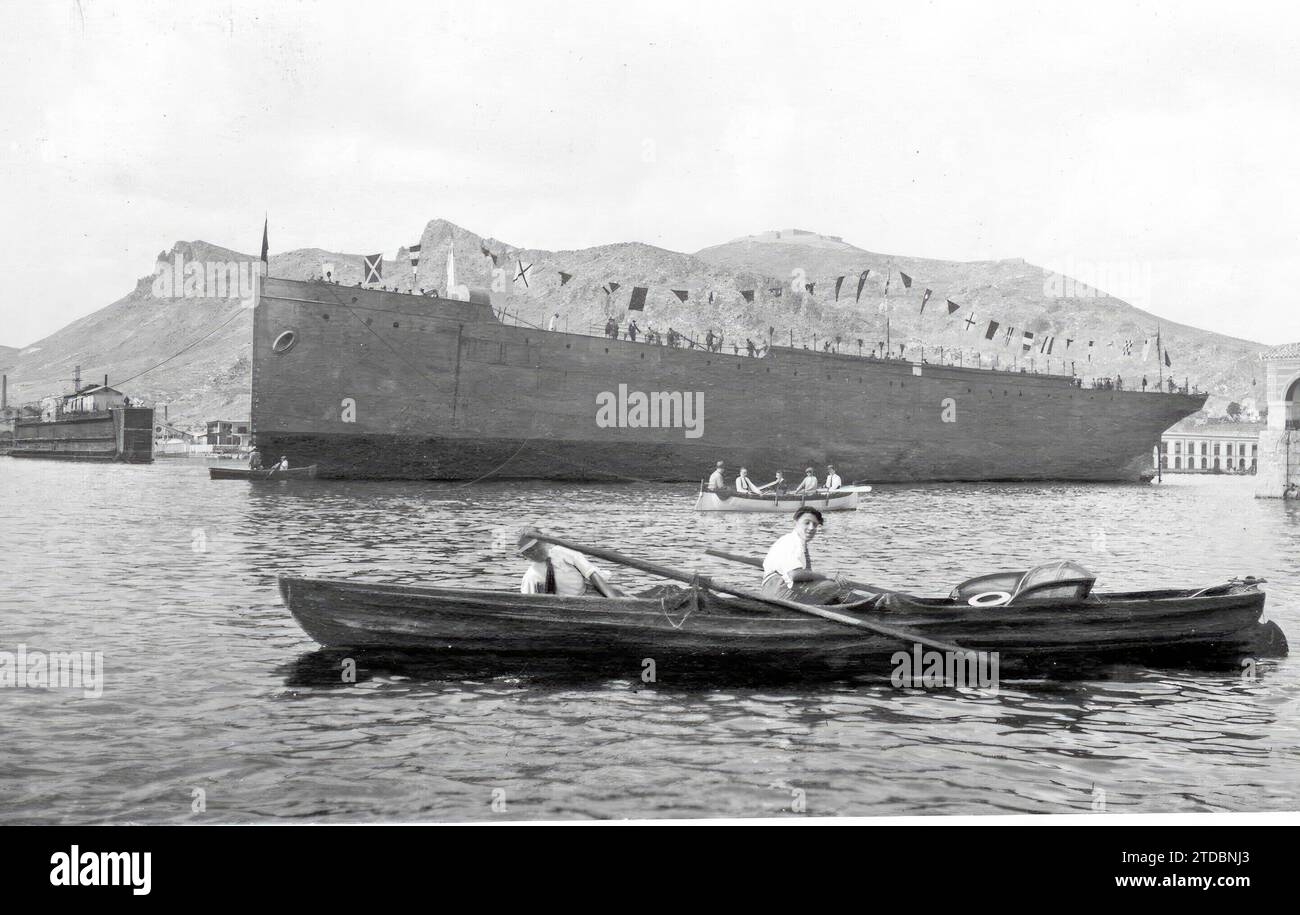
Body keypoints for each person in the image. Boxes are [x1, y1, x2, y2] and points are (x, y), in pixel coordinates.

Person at [760, 507, 843, 604]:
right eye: (807, 523)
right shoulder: (792, 542)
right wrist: (826, 575)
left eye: (815, 525)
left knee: (829, 587)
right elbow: (794, 574)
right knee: (833, 586)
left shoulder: (796, 541)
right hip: (779, 591)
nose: (811, 528)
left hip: (775, 589)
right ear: (795, 523)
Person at [517, 532, 621, 597]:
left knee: (622, 597)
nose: (535, 552)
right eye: (529, 551)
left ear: (544, 542)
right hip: (564, 607)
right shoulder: (531, 577)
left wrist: (612, 599)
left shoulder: (563, 552)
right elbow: (530, 603)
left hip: (589, 592)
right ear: (525, 556)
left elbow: (591, 573)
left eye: (536, 546)